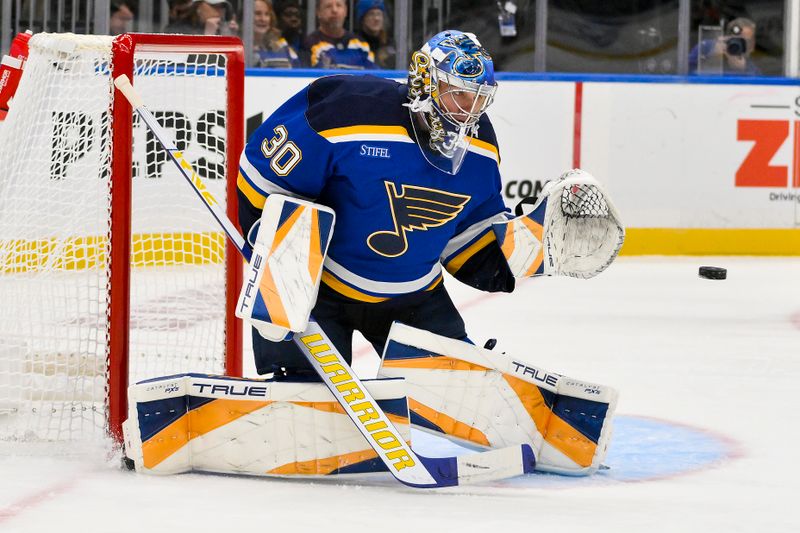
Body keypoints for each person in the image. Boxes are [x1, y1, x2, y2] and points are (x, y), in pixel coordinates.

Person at [237, 30, 509, 379]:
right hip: (320, 294)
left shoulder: (481, 147)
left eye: (478, 98)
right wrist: (277, 279)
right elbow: (263, 184)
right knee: (305, 404)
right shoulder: (348, 110)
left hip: (414, 297)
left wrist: (534, 245)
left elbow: (468, 239)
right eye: (457, 94)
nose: (467, 111)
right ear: (425, 79)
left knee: (463, 391)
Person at [303, 0, 375, 69]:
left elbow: (374, 76)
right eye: (328, 6)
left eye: (339, 5)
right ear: (318, 12)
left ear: (346, 11)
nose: (334, 10)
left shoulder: (361, 45)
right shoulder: (309, 44)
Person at [689, 17, 760, 75]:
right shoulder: (706, 47)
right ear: (726, 37)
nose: (738, 45)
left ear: (752, 45)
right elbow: (684, 70)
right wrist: (712, 53)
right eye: (736, 39)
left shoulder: (750, 67)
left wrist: (743, 69)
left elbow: (759, 86)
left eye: (745, 41)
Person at [252, 0, 301, 68]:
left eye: (267, 14)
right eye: (257, 13)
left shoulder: (282, 46)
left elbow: (297, 71)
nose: (263, 19)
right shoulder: (238, 47)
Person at [354, 0, 396, 69]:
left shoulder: (389, 44)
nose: (376, 18)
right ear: (362, 18)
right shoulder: (355, 43)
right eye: (371, 14)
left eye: (379, 14)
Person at [163, 0, 239, 36]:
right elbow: (185, 65)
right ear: (199, 6)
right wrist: (209, 36)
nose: (219, 11)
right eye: (214, 6)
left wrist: (231, 39)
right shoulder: (176, 31)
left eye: (222, 7)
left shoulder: (219, 30)